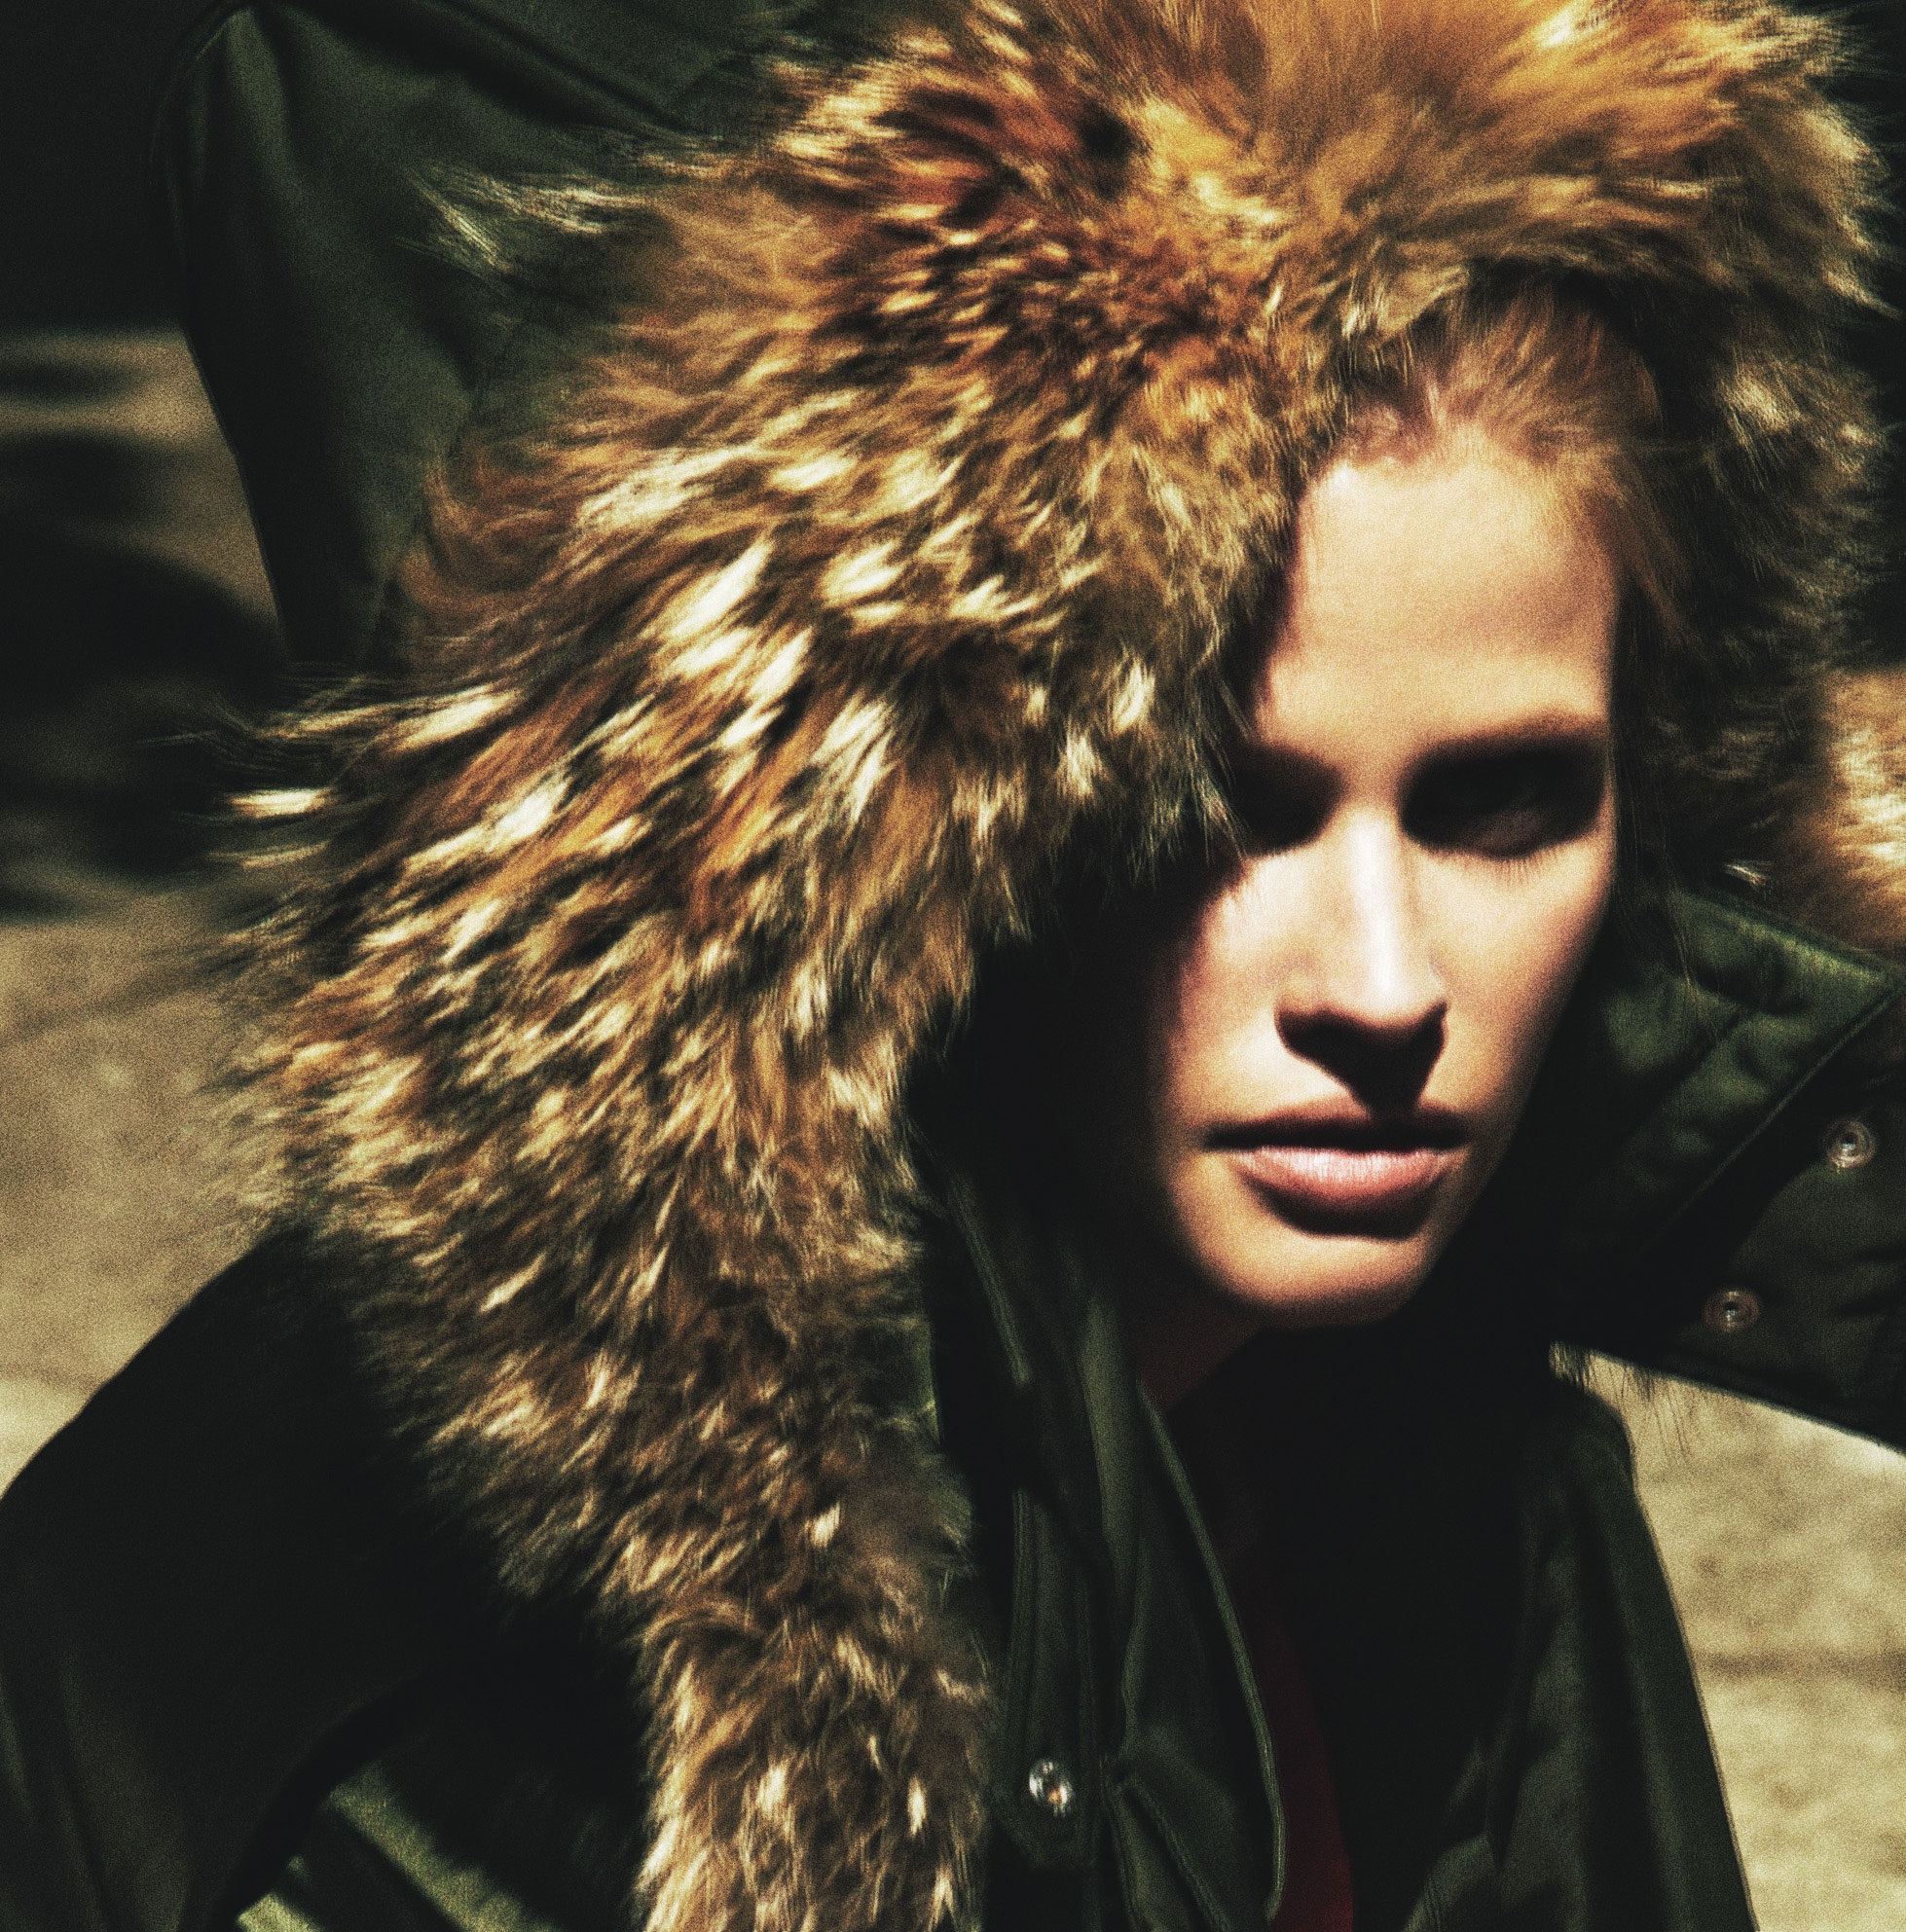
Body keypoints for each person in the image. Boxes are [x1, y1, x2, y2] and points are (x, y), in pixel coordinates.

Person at [4, 0, 1905, 1928]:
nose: (1384, 987)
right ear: (878, 846)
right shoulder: (464, 1735)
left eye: (1504, 805)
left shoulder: (1441, 1435)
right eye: (1206, 816)